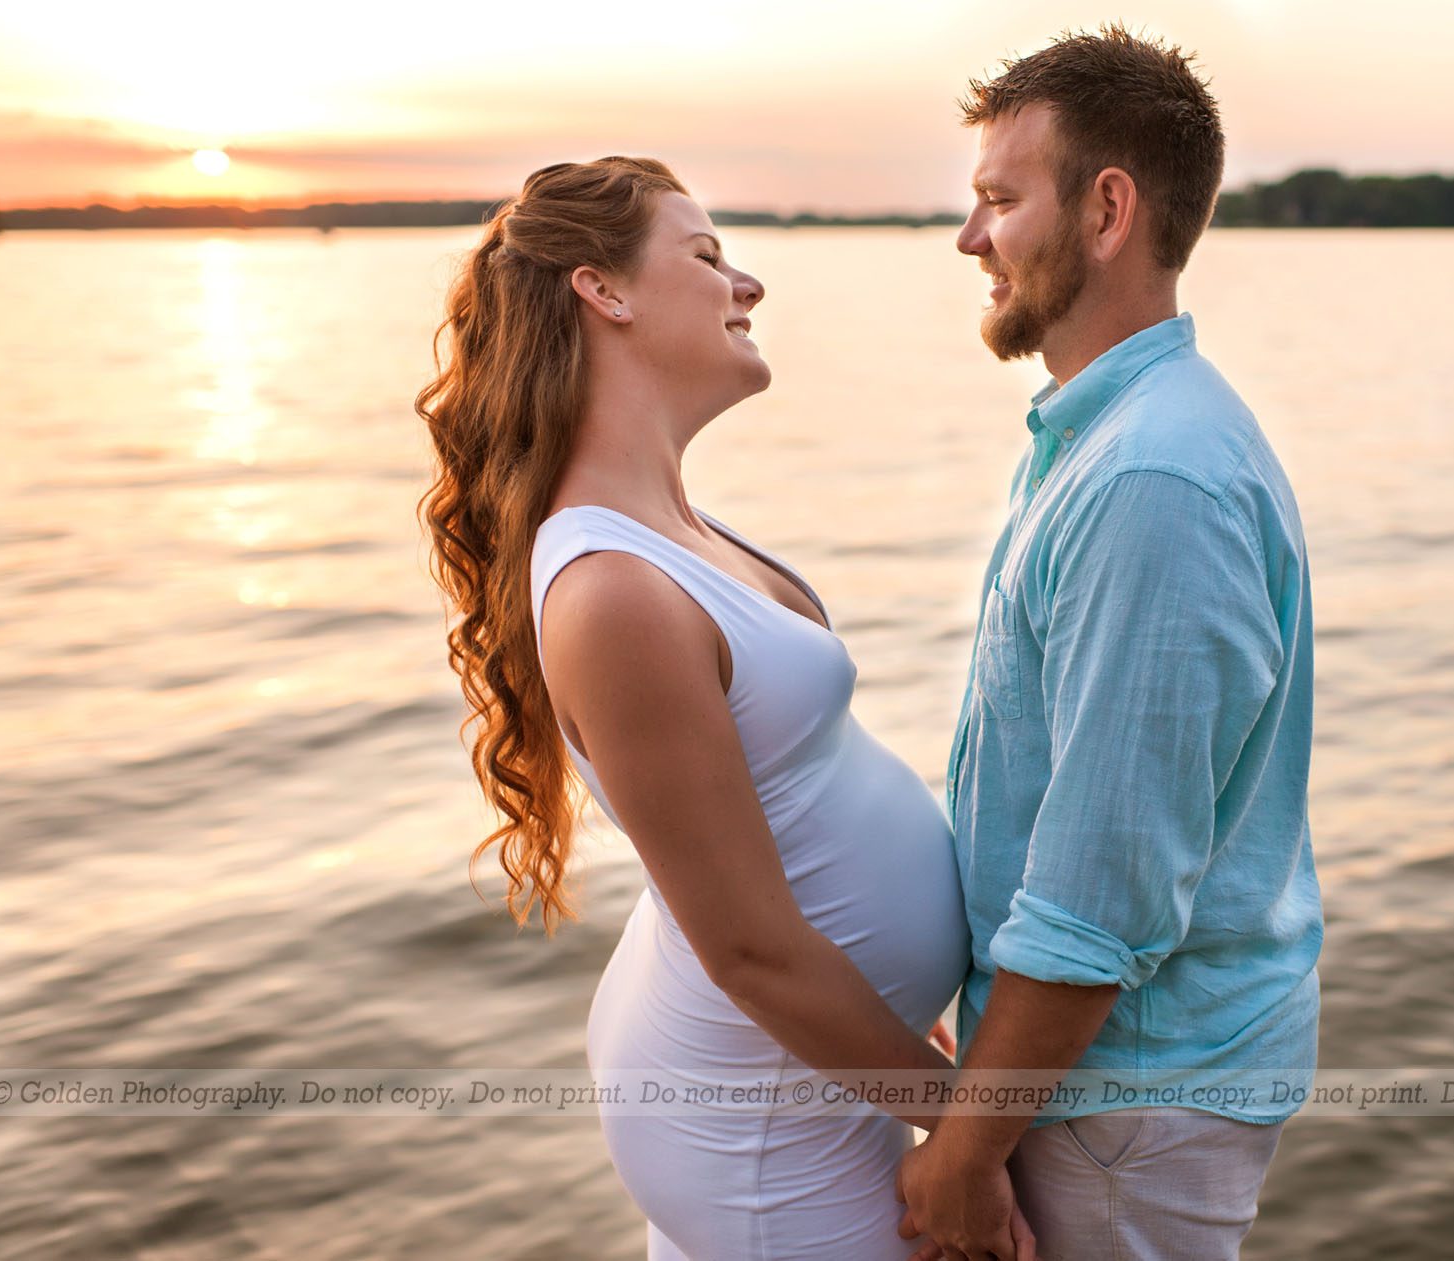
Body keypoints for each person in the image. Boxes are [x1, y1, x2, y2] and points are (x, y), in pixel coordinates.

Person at [414, 157, 1037, 1259]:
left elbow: (790, 824)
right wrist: (972, 1136)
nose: (747, 284)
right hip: (754, 1118)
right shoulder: (614, 592)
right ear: (603, 292)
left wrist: (927, 1056)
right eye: (706, 257)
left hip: (804, 1069)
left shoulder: (674, 529)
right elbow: (750, 948)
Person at [894, 26, 1324, 1261]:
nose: (970, 239)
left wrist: (965, 1152)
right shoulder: (1104, 439)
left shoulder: (1153, 480)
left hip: (1122, 1103)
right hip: (1095, 1083)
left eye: (999, 200)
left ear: (1107, 211)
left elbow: (1099, 899)